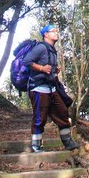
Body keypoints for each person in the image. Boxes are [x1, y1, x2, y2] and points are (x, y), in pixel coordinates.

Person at [23, 24, 79, 153]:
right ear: (45, 34)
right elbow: (26, 61)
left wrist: (55, 69)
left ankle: (68, 142)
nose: (56, 33)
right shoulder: (41, 47)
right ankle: (36, 145)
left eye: (57, 31)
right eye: (53, 31)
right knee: (39, 117)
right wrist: (42, 68)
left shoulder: (52, 50)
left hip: (51, 89)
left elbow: (48, 66)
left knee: (62, 112)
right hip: (38, 89)